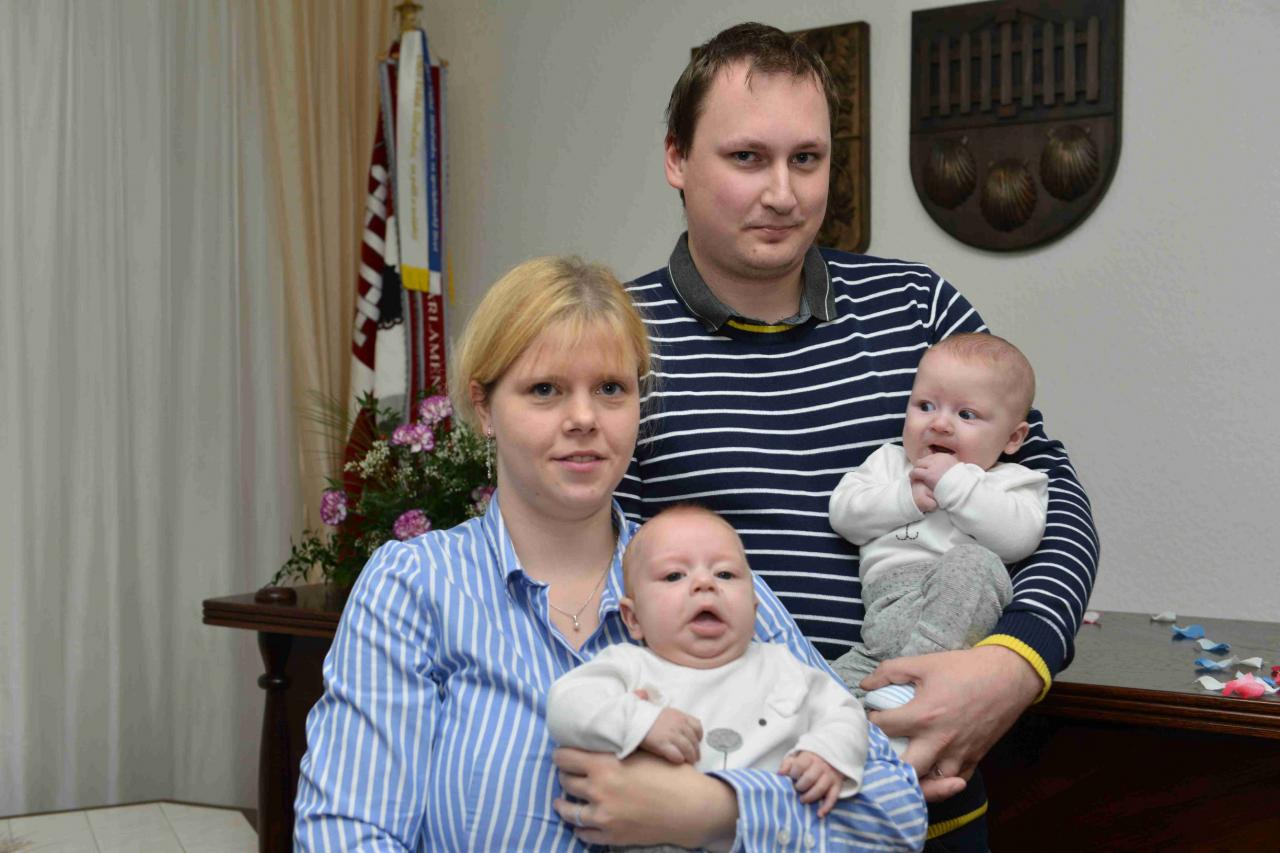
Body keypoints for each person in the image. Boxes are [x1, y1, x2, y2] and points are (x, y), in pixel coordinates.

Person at [618, 22, 1099, 849]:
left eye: (806, 158)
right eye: (747, 158)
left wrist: (1013, 663)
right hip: (729, 812)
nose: (783, 193)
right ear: (676, 159)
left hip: (928, 807)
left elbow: (1052, 497)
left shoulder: (919, 308)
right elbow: (586, 577)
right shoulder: (616, 338)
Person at [293, 256, 925, 851]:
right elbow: (346, 831)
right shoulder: (416, 586)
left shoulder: (709, 580)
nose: (583, 418)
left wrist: (715, 809)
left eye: (611, 388)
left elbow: (896, 813)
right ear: (484, 409)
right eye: (545, 389)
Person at [548, 505, 868, 829]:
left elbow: (845, 712)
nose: (705, 583)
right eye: (674, 575)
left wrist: (826, 752)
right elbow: (567, 703)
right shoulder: (630, 666)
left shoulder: (782, 666)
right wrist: (641, 721)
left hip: (762, 831)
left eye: (725, 574)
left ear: (754, 608)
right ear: (633, 618)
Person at [827, 334, 1049, 729]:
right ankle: (872, 721)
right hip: (886, 611)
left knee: (975, 562)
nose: (940, 423)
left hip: (959, 614)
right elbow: (844, 515)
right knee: (825, 697)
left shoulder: (1013, 481)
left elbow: (1018, 540)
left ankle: (913, 679)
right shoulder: (889, 463)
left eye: (966, 414)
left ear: (1013, 438)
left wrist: (955, 484)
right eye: (925, 406)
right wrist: (905, 497)